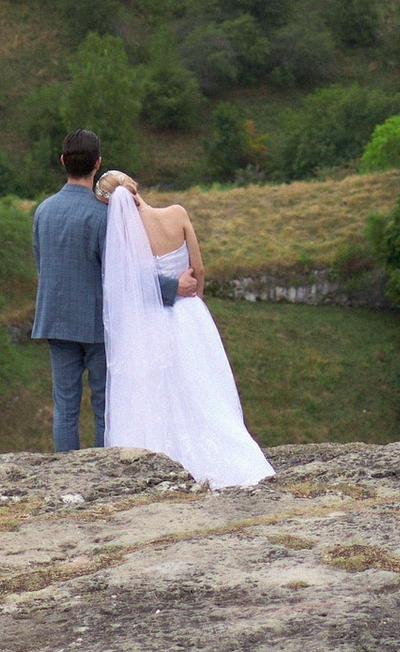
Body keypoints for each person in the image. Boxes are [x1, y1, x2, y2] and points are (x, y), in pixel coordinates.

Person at [95, 167, 274, 490]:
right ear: (135, 185)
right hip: (190, 314)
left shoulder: (125, 238)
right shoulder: (177, 213)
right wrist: (196, 300)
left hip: (152, 319)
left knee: (161, 389)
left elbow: (132, 285)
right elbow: (200, 267)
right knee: (202, 385)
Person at [29, 126, 111, 454]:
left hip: (57, 320)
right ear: (98, 164)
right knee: (104, 407)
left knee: (65, 408)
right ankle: (105, 473)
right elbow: (119, 275)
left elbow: (42, 264)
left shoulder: (43, 211)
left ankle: (67, 475)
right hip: (97, 324)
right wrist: (172, 287)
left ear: (63, 161)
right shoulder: (103, 214)